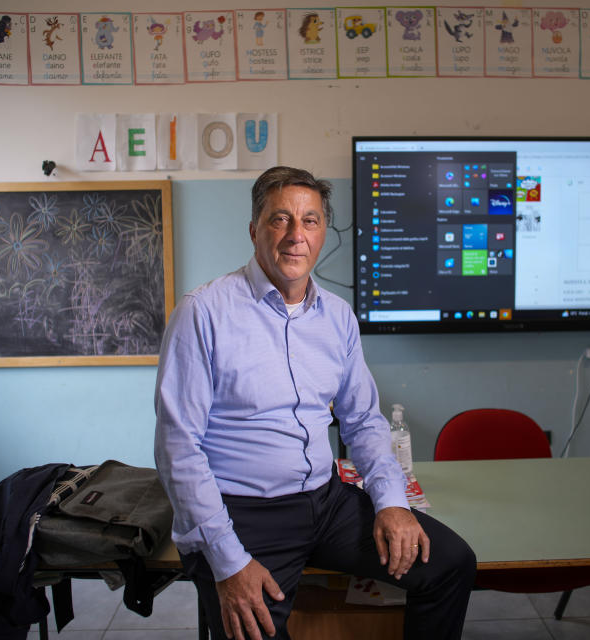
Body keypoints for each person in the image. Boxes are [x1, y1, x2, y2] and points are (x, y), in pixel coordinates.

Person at [154, 166, 475, 640]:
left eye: (310, 221)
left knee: (450, 564)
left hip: (325, 503)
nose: (295, 236)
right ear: (254, 229)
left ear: (323, 231)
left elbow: (363, 420)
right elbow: (178, 448)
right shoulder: (203, 313)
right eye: (279, 219)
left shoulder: (337, 317)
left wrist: (390, 503)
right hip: (243, 515)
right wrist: (227, 559)